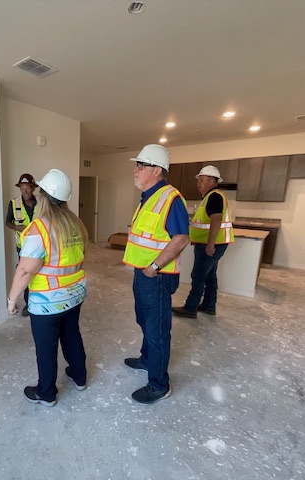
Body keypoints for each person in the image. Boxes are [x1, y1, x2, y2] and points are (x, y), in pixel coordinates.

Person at [7, 169, 88, 407]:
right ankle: (79, 376)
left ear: (42, 195)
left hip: (47, 301)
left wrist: (13, 299)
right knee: (72, 335)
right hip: (74, 294)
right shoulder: (75, 224)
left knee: (46, 347)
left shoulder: (39, 228)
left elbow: (25, 270)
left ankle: (46, 393)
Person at [122, 144, 190, 405]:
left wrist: (155, 267)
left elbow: (182, 238)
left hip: (157, 277)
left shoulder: (170, 198)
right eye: (137, 165)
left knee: (157, 330)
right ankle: (147, 358)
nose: (136, 170)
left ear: (158, 170)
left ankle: (159, 384)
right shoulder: (149, 196)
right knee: (144, 320)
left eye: (142, 165)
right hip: (143, 274)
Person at [172, 165, 234, 318]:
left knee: (198, 275)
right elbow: (205, 223)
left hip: (211, 245)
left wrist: (210, 244)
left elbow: (216, 220)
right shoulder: (211, 196)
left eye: (202, 180)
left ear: (212, 181)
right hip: (209, 244)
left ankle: (190, 308)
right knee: (209, 275)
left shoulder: (214, 196)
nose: (198, 183)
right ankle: (208, 305)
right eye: (198, 180)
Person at [5, 173, 38, 316]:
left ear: (33, 188)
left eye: (28, 188)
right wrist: (17, 227)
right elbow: (8, 222)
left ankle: (39, 301)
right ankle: (28, 303)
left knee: (40, 273)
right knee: (26, 273)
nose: (25, 192)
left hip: (40, 245)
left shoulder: (42, 203)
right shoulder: (13, 203)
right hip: (23, 247)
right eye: (22, 188)